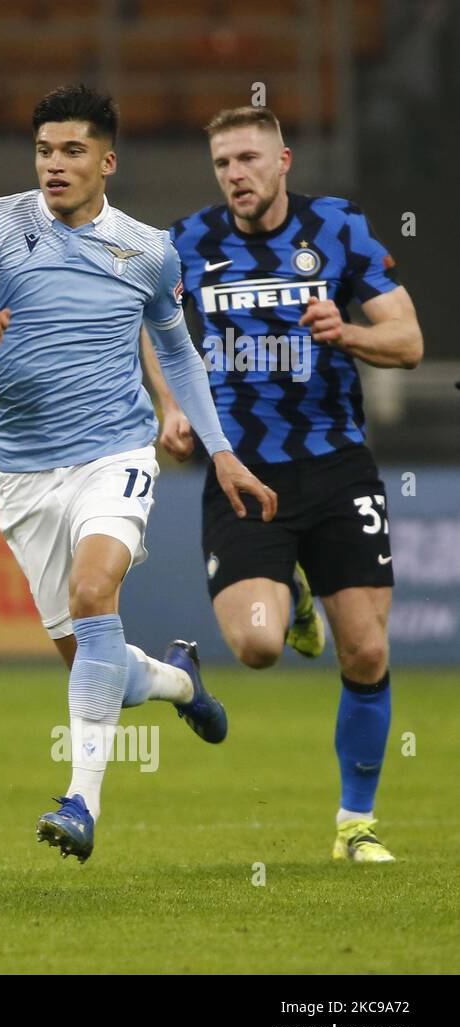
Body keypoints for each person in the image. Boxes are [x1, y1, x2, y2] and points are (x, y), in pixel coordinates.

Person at [0, 85, 277, 863]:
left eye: (72, 151)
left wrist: (222, 451)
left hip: (116, 451)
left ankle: (81, 802)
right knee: (98, 666)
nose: (54, 165)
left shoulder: (148, 248)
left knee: (92, 590)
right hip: (24, 475)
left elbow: (175, 351)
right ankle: (178, 680)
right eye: (44, 150)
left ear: (107, 160)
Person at [142, 106, 423, 862]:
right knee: (260, 645)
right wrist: (170, 403)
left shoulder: (339, 230)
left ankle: (354, 824)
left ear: (283, 161)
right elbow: (149, 319)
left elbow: (409, 340)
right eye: (223, 163)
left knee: (364, 652)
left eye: (247, 160)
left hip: (337, 464)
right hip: (240, 467)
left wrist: (349, 333)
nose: (235, 175)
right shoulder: (186, 242)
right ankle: (295, 598)